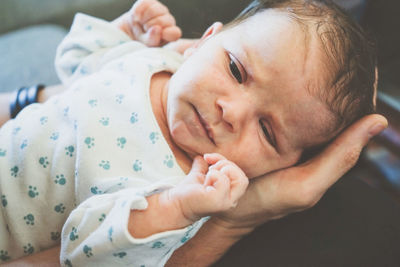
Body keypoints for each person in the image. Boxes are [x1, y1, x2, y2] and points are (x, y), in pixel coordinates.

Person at [0, 0, 389, 265]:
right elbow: (76, 62)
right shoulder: (155, 61)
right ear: (205, 40)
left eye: (268, 131)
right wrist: (125, 31)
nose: (232, 111)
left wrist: (176, 208)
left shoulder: (188, 191)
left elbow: (89, 254)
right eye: (236, 70)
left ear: (284, 166)